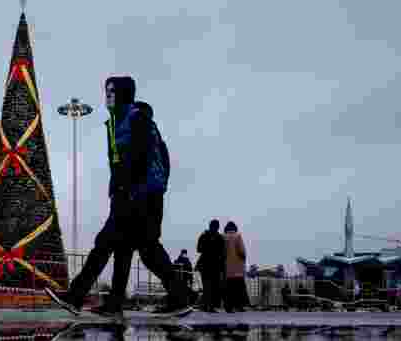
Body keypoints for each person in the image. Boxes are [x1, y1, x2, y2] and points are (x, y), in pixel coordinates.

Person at [45, 76, 191, 318]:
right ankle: (122, 303)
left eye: (112, 92)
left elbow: (145, 157)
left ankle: (75, 297)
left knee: (107, 244)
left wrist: (135, 189)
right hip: (132, 195)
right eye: (106, 91)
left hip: (138, 196)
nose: (107, 96)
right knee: (135, 250)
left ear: (124, 93)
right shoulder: (118, 121)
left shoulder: (136, 118)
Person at [196, 219, 225, 313]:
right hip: (215, 265)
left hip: (204, 264)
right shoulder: (220, 238)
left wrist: (207, 249)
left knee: (206, 286)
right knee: (214, 287)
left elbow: (199, 249)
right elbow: (222, 253)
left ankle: (205, 305)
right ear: (218, 227)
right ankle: (211, 306)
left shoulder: (204, 235)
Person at [223, 221, 249, 313]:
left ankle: (228, 307)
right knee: (239, 289)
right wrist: (243, 258)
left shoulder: (223, 237)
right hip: (237, 268)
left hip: (227, 268)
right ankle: (239, 306)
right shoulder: (237, 236)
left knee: (228, 289)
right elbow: (242, 251)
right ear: (235, 228)